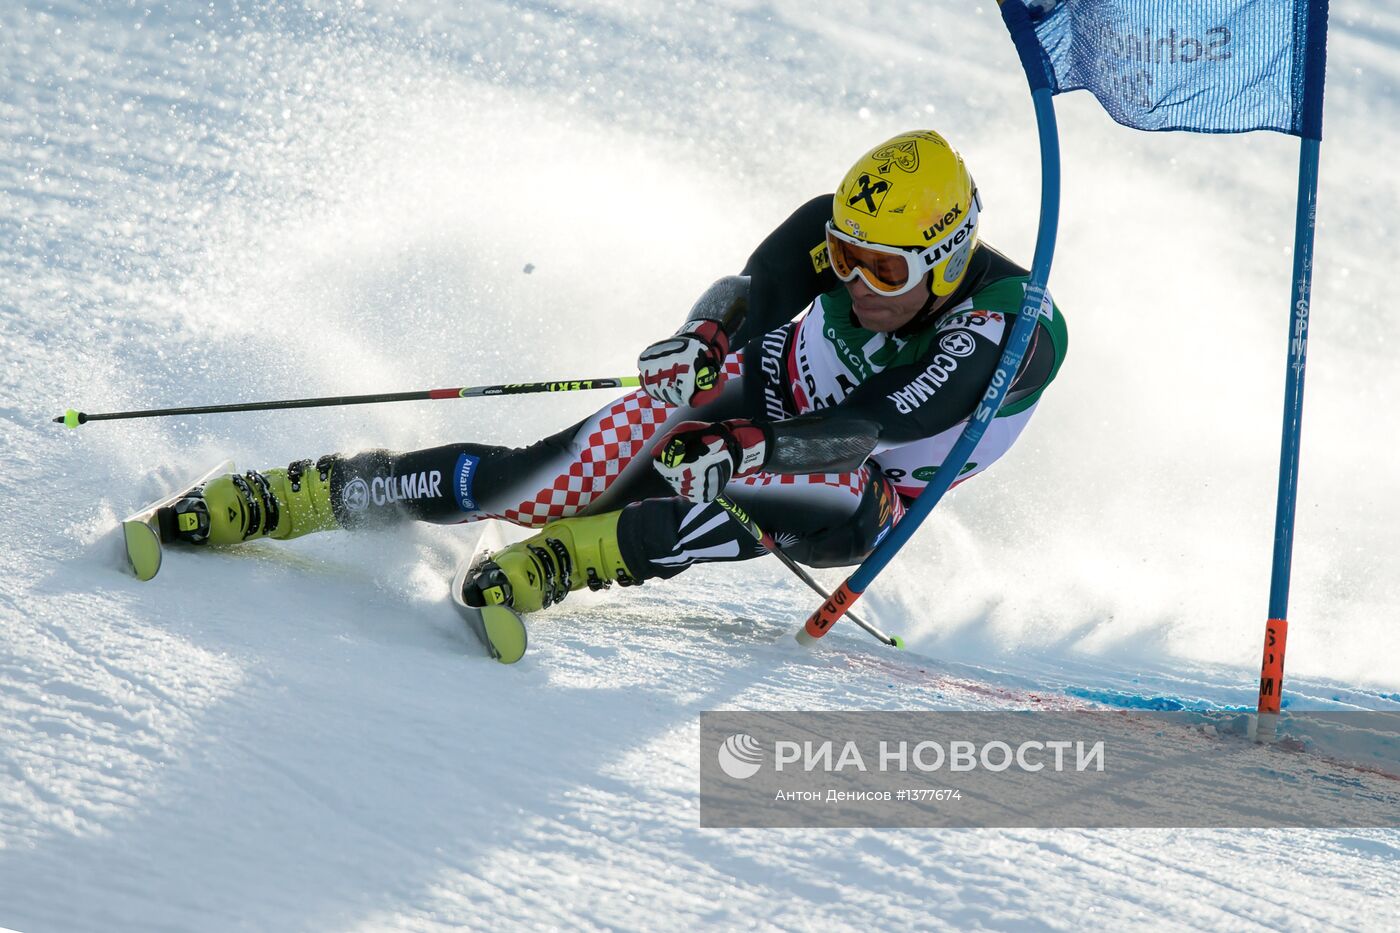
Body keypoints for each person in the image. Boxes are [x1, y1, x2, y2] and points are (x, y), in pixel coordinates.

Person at [166, 129, 1067, 613]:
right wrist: (706, 336)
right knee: (539, 480)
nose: (856, 279)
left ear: (946, 261)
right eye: (844, 254)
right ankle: (314, 492)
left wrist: (750, 444)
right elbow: (754, 288)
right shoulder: (844, 232)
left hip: (859, 481)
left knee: (784, 492)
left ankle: (575, 561)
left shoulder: (1012, 327)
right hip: (757, 399)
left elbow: (878, 423)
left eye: (886, 271)